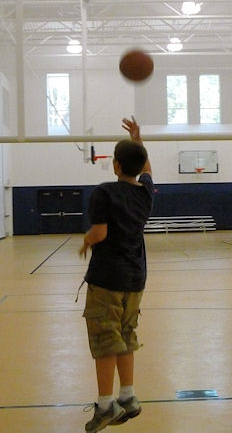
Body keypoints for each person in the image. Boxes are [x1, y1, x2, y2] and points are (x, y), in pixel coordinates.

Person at [79, 116, 153, 433]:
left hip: (108, 278)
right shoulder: (146, 193)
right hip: (136, 277)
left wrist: (85, 241)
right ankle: (128, 396)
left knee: (105, 340)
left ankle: (106, 405)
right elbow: (147, 170)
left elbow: (99, 233)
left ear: (116, 164)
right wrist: (138, 140)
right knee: (126, 334)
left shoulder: (104, 192)